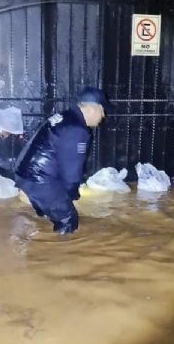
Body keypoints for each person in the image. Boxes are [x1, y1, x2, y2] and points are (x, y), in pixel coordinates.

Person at [15, 87, 111, 234]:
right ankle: (60, 253)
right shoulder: (77, 129)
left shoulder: (64, 117)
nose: (103, 115)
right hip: (40, 180)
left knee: (49, 213)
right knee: (68, 219)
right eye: (102, 110)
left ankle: (39, 241)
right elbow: (71, 170)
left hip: (25, 174)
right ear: (92, 108)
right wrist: (71, 194)